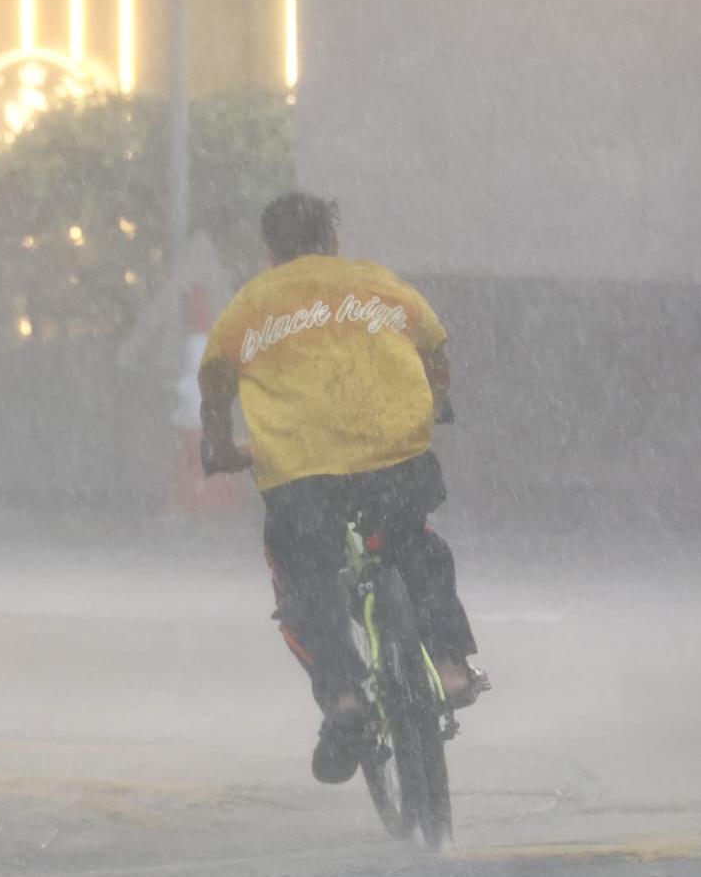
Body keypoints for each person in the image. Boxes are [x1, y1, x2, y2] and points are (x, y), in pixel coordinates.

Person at [197, 191, 485, 785]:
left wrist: (220, 447)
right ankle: (452, 665)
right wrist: (435, 401)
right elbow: (434, 343)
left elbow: (215, 384)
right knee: (417, 546)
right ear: (331, 240)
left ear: (270, 250)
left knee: (303, 578)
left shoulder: (250, 306)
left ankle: (344, 700)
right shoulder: (376, 283)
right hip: (394, 461)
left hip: (303, 477)